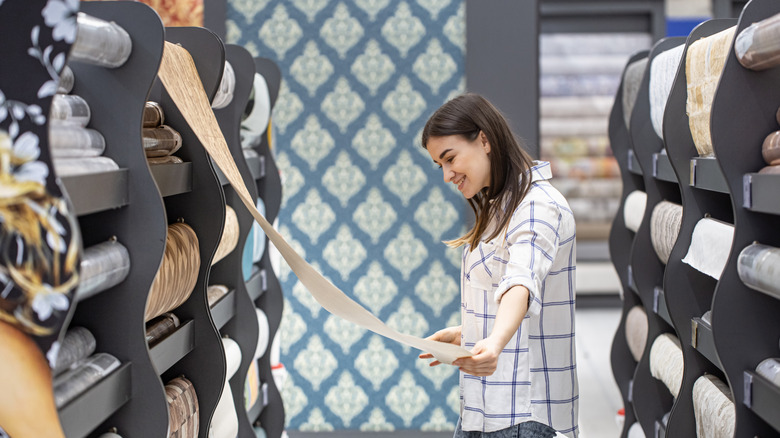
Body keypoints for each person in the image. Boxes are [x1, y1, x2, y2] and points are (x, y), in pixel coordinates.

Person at [418, 94, 578, 438]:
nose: (447, 175)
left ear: (484, 139)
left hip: (521, 416)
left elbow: (521, 282)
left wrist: (495, 343)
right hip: (488, 408)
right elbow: (504, 295)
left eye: (450, 158)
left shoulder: (538, 206)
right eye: (439, 165)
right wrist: (469, 335)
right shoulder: (502, 206)